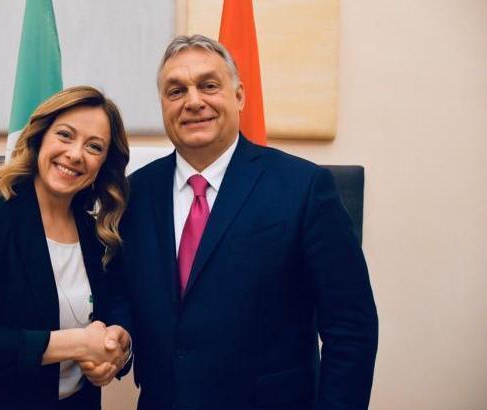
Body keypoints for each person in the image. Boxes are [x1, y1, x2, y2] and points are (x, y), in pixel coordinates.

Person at [102, 35, 379, 409]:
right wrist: (120, 336)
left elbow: (350, 327)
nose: (193, 101)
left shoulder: (304, 187)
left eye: (208, 85)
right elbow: (122, 291)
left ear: (239, 96)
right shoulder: (135, 193)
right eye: (176, 91)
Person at [0, 86, 132, 410]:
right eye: (65, 135)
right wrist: (75, 343)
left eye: (94, 146)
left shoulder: (96, 233)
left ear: (103, 163)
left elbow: (117, 300)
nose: (75, 154)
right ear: (40, 138)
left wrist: (118, 342)